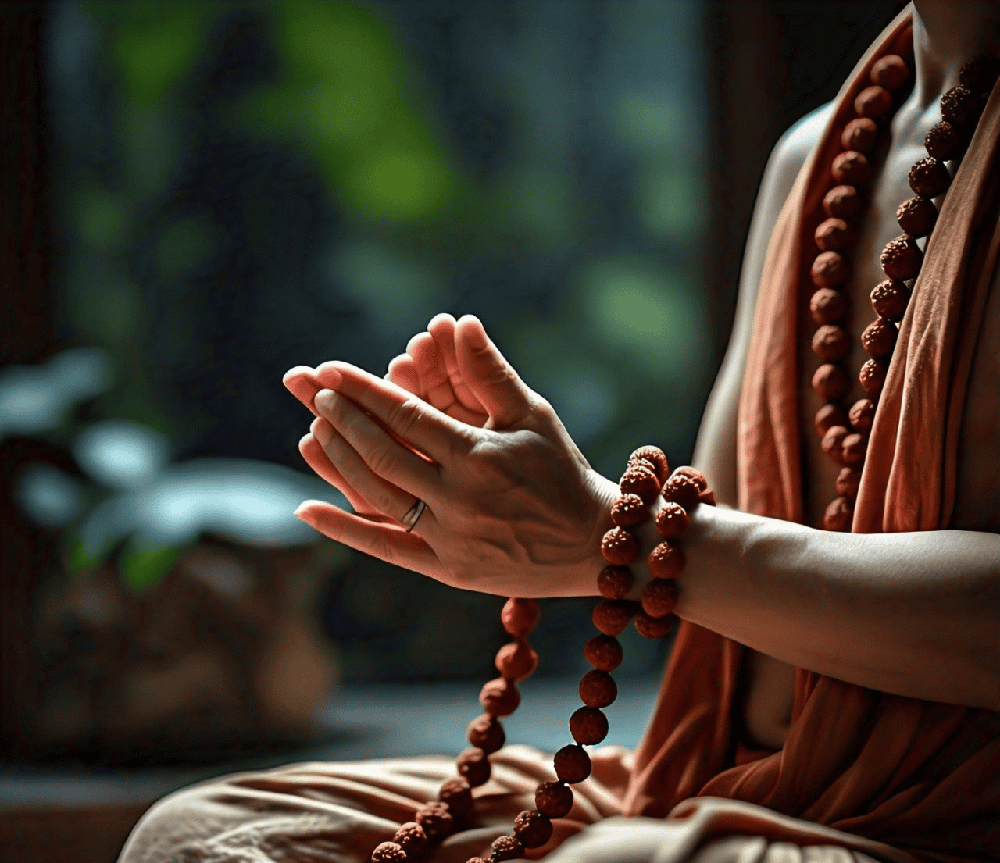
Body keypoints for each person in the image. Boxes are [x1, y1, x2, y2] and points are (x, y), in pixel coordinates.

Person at [118, 3, 1000, 862]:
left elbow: (678, 545)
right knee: (200, 836)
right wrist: (501, 501)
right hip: (717, 786)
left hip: (946, 830)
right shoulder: (819, 155)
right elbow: (727, 567)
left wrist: (614, 536)